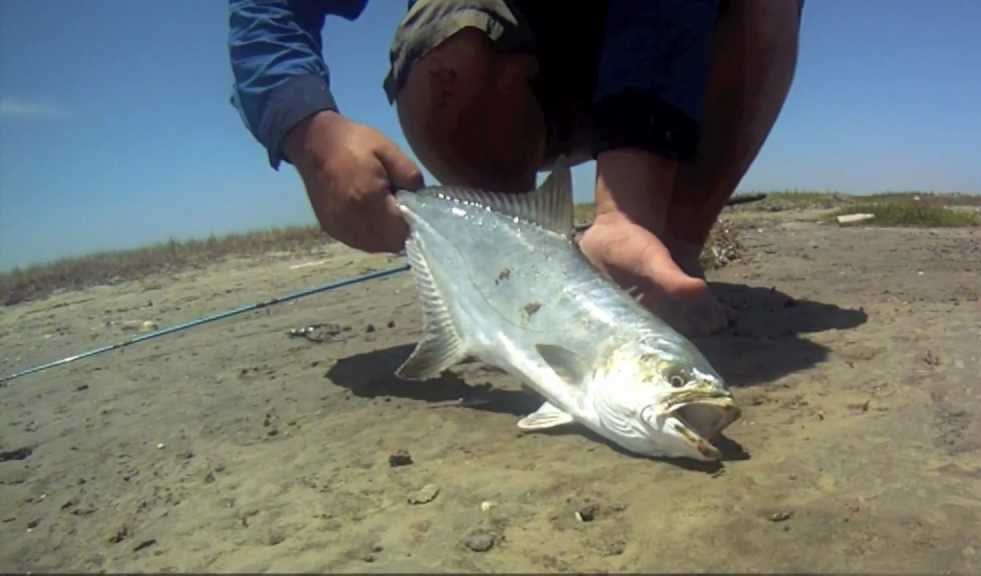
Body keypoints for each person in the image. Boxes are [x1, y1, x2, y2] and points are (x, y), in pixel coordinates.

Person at [229, 0, 801, 335]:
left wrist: (633, 206)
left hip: (664, 51)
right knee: (447, 51)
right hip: (511, 57)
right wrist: (308, 130)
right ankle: (510, 268)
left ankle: (667, 253)